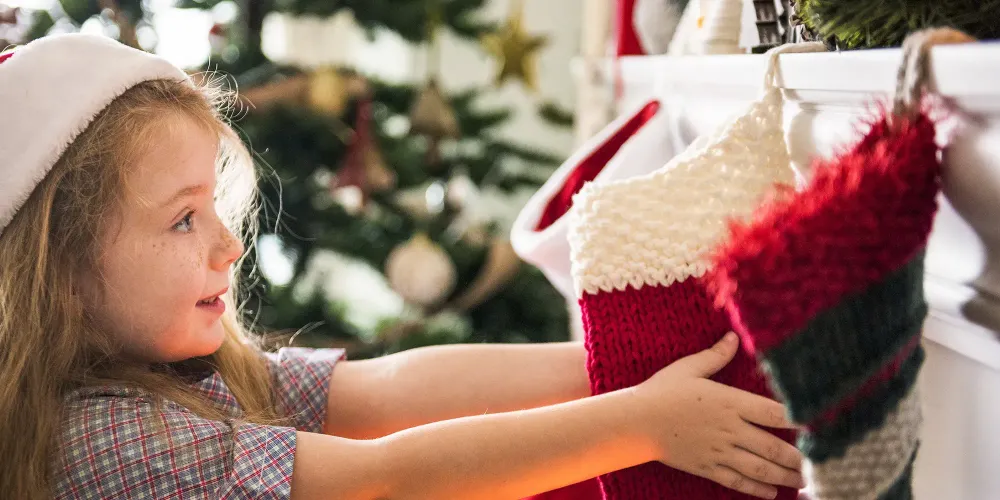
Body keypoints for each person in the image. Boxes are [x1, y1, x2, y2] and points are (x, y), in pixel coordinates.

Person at [0, 34, 804, 500]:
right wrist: (639, 421)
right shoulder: (100, 441)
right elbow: (387, 479)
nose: (228, 245)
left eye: (214, 207)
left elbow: (389, 391)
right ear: (60, 275)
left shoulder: (176, 370)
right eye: (182, 219)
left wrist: (634, 361)